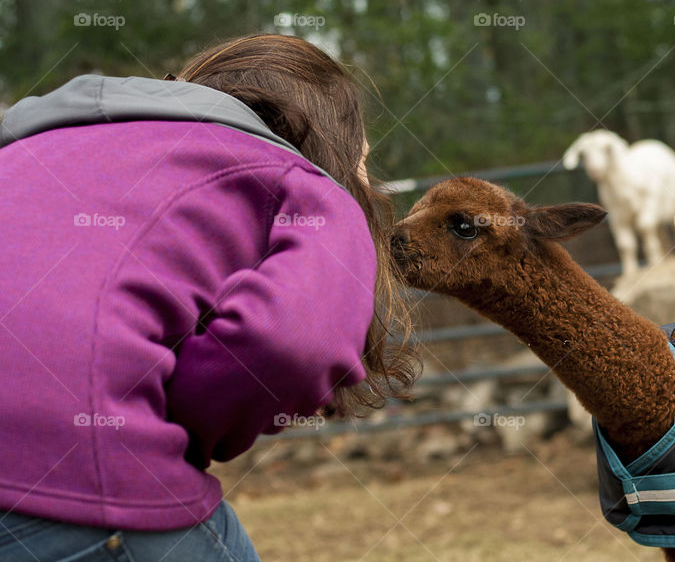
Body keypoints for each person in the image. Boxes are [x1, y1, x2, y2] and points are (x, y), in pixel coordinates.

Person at [0, 34, 416, 561]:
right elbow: (293, 343)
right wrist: (182, 419)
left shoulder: (33, 148)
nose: (363, 179)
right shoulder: (307, 184)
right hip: (69, 464)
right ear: (332, 146)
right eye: (362, 159)